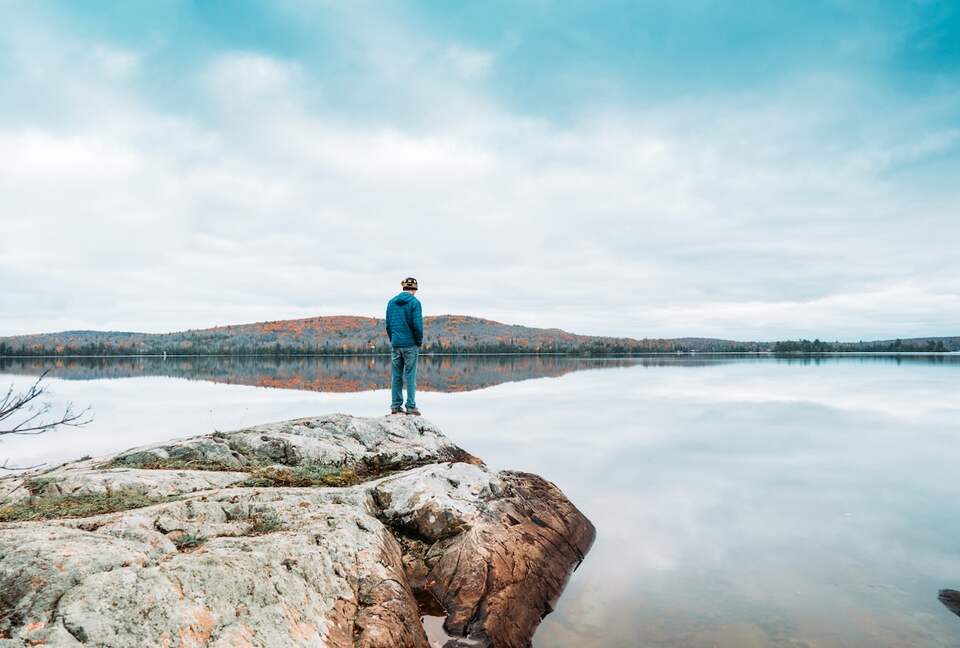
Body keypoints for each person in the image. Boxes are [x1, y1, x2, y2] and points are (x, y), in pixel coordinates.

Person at [385, 277, 423, 415]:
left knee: (396, 376)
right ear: (414, 289)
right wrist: (418, 341)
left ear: (404, 288)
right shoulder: (415, 302)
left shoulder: (391, 302)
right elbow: (417, 326)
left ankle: (395, 406)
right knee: (410, 376)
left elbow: (388, 325)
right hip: (410, 344)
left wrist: (393, 340)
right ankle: (411, 406)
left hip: (396, 344)